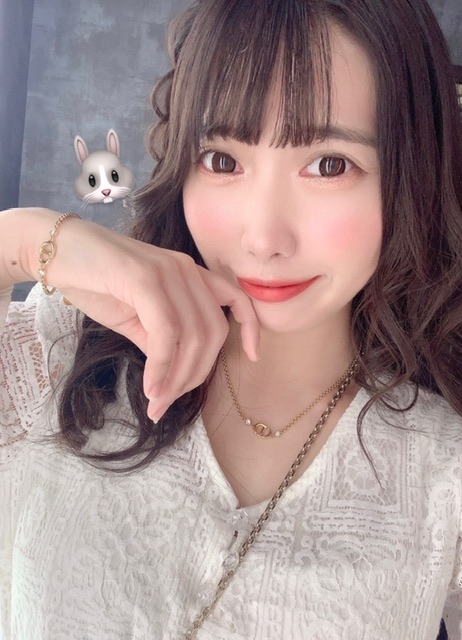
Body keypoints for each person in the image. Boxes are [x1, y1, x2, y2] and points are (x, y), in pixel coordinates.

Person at [1, 0, 461, 638]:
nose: (263, 239)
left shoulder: (441, 466)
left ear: (412, 175)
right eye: (222, 161)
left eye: (329, 165)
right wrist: (24, 241)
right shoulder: (56, 351)